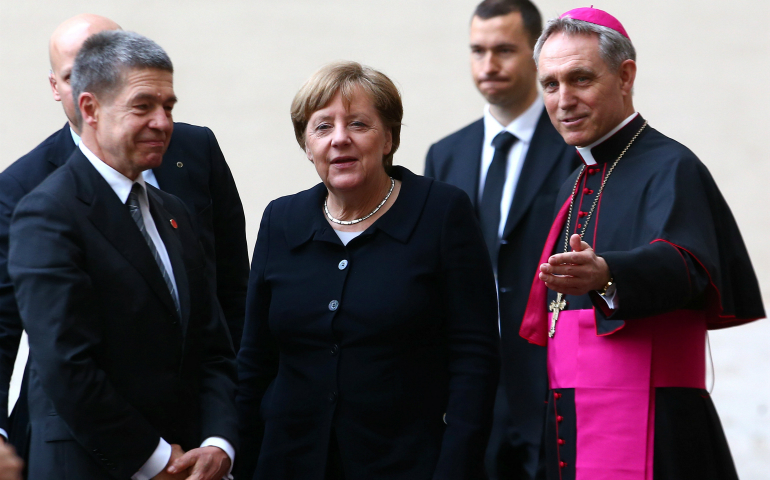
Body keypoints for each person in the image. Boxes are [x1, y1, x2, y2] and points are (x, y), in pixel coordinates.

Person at [519, 7, 765, 480]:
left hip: (655, 421)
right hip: (569, 415)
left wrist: (608, 273)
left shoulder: (673, 166)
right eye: (550, 84)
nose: (563, 99)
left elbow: (689, 264)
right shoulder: (571, 183)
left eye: (580, 79)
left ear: (625, 76)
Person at [0, 13, 248, 462]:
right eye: (142, 107)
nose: (162, 122)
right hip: (95, 458)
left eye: (168, 107)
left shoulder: (172, 208)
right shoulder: (39, 204)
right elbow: (65, 361)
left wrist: (219, 441)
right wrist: (155, 460)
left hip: (193, 455)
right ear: (87, 105)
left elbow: (216, 336)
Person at [236, 61, 500, 480]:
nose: (340, 139)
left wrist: (456, 466)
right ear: (306, 145)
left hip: (408, 462)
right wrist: (240, 459)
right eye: (322, 127)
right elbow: (254, 360)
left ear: (388, 138)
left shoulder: (441, 212)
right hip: (289, 461)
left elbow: (476, 357)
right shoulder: (281, 220)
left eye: (358, 124)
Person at [424, 1, 578, 477]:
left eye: (504, 50)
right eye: (478, 50)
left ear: (535, 58)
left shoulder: (574, 148)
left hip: (549, 373)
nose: (488, 65)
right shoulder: (446, 154)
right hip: (469, 380)